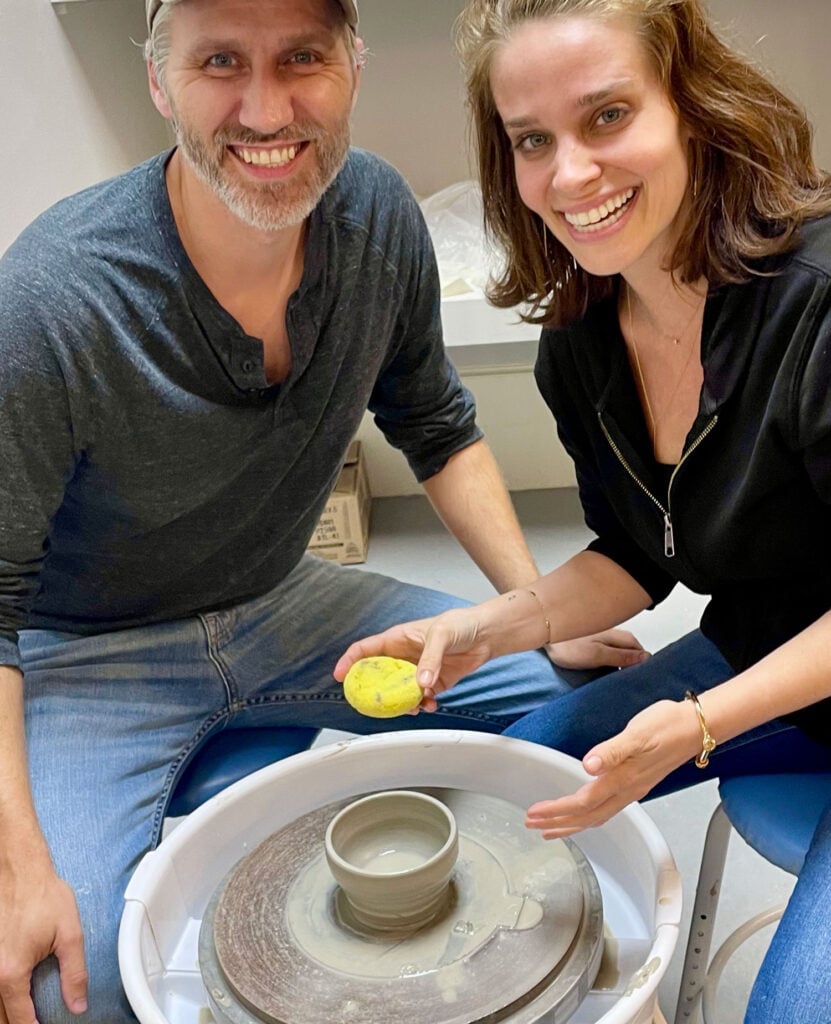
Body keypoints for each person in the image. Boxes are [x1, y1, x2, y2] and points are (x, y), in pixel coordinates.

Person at [0, 0, 653, 1020]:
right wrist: (16, 864)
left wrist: (533, 611)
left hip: (283, 604)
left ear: (352, 67)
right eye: (223, 61)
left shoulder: (377, 216)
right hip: (91, 655)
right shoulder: (53, 297)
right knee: (60, 987)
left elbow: (437, 427)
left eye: (302, 56)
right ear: (161, 82)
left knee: (587, 724)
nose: (268, 108)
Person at [334, 1, 831, 1021]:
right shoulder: (584, 341)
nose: (569, 175)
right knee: (491, 805)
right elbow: (635, 556)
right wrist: (484, 628)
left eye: (607, 116)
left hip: (759, 680)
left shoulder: (815, 303)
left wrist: (692, 725)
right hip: (755, 650)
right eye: (532, 140)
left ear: (690, 106)